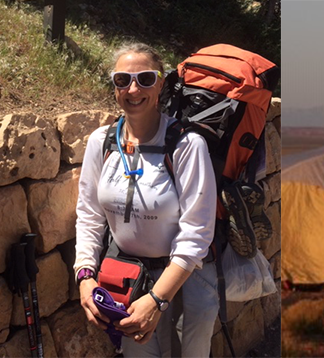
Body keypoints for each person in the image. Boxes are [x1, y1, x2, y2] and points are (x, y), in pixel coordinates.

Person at [73, 42, 219, 357]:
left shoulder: (185, 145)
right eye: (122, 80)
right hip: (128, 280)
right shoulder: (102, 142)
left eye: (146, 79)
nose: (133, 88)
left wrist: (157, 300)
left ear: (161, 84)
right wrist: (84, 275)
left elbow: (197, 233)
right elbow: (89, 216)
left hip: (184, 281)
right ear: (114, 86)